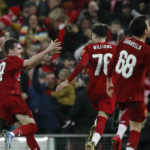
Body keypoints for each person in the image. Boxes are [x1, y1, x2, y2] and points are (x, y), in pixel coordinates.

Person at [56, 23, 116, 150]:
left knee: (98, 115)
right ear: (106, 35)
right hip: (108, 89)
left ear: (94, 35)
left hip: (93, 90)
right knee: (103, 117)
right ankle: (93, 141)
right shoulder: (114, 49)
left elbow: (82, 64)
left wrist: (68, 80)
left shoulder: (89, 48)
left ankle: (93, 137)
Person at [0, 38, 61, 149]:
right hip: (12, 97)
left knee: (27, 132)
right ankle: (11, 134)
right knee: (32, 126)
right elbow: (30, 62)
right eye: (18, 48)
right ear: (11, 50)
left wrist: (46, 55)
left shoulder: (3, 63)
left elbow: (29, 66)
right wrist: (47, 50)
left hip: (2, 101)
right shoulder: (12, 59)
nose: (21, 51)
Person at [107, 15, 150, 150]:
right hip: (134, 90)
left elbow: (112, 62)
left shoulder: (124, 40)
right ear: (145, 31)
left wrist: (109, 82)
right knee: (137, 125)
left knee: (130, 113)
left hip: (119, 87)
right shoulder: (146, 50)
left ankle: (119, 135)